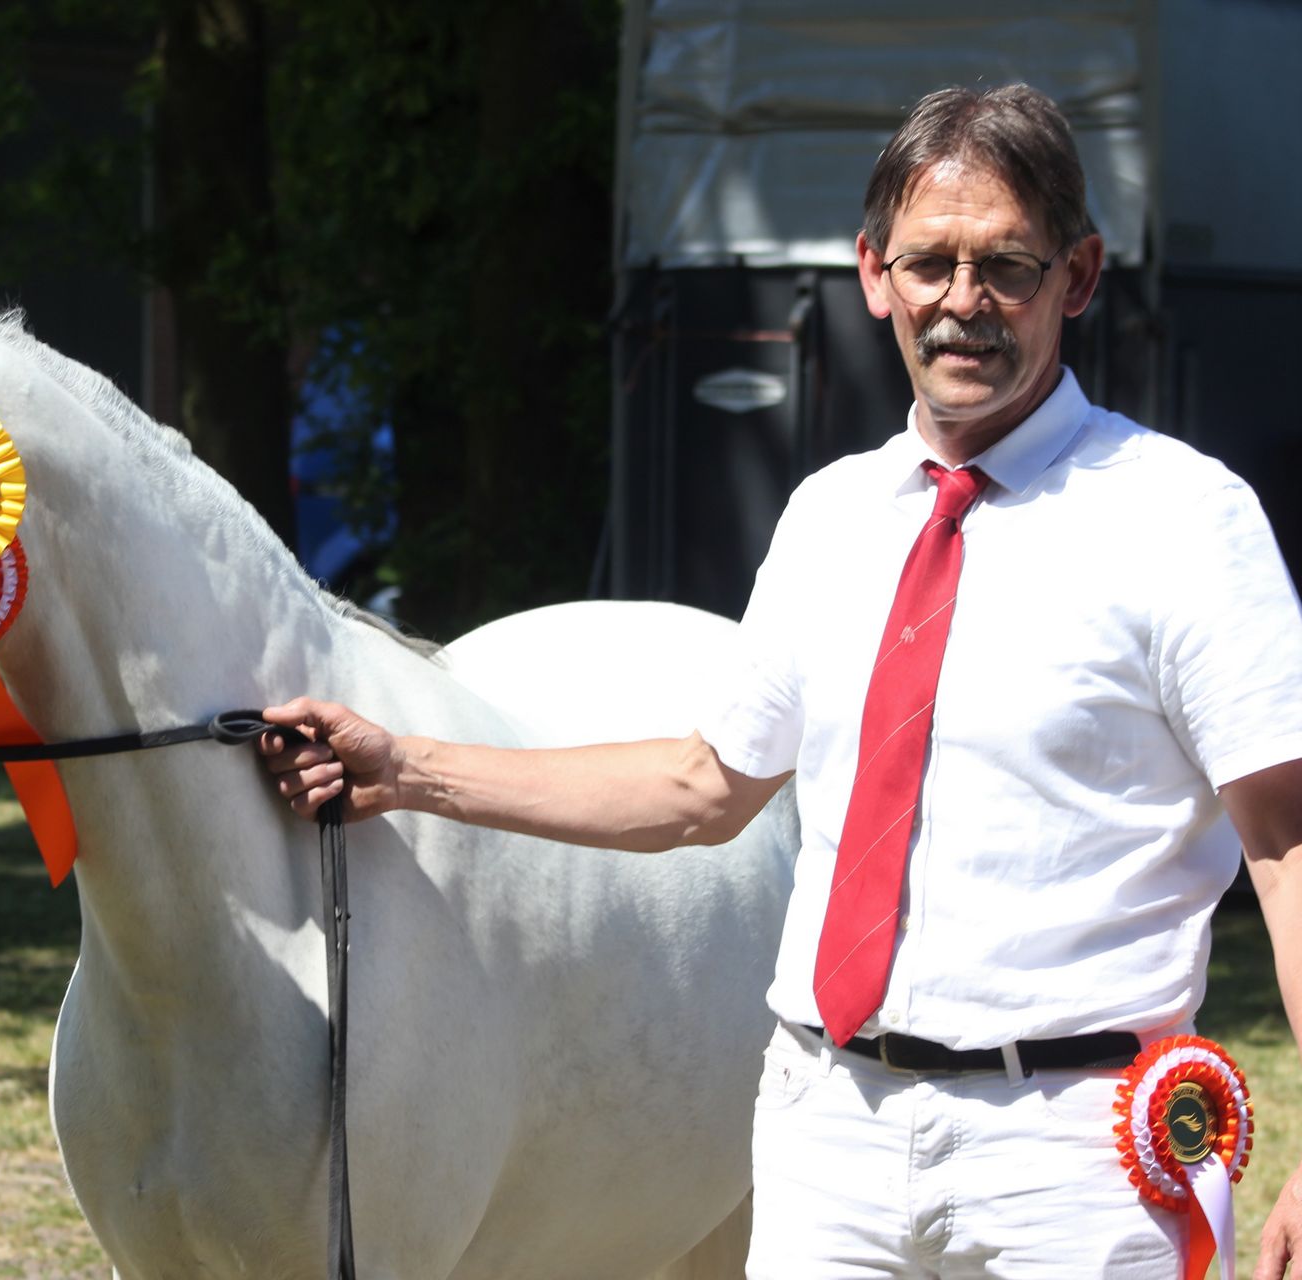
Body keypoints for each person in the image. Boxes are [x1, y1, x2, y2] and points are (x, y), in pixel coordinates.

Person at [258, 84, 1302, 1279]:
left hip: (1076, 1154)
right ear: (873, 273)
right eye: (929, 263)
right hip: (827, 1137)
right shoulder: (830, 516)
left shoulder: (1186, 520)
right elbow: (704, 785)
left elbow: (1287, 845)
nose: (963, 301)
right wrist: (403, 767)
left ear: (1080, 273)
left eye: (1008, 265)